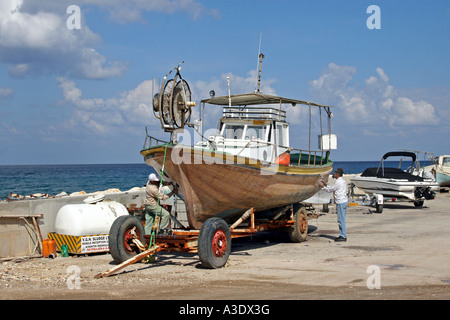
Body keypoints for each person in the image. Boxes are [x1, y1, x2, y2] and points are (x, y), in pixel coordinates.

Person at [320, 168, 348, 242]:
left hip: (340, 202)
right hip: (344, 201)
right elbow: (333, 188)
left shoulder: (338, 182)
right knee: (342, 219)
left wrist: (323, 187)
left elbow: (330, 190)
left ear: (338, 174)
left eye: (335, 173)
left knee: (341, 220)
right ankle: (343, 235)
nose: (334, 174)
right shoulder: (342, 181)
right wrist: (326, 185)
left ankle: (343, 236)